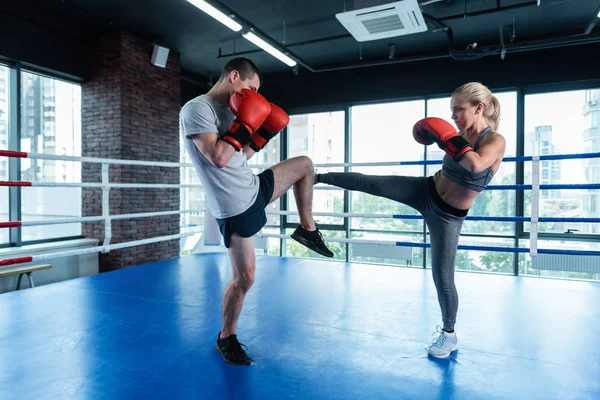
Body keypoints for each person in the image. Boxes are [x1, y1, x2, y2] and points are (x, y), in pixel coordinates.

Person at [315, 82, 505, 358]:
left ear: (478, 108)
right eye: (451, 110)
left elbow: (475, 164)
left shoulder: (494, 140)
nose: (453, 116)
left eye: (459, 110)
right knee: (373, 183)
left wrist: (446, 138)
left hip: (448, 217)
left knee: (442, 276)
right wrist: (450, 137)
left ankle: (449, 335)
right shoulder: (459, 134)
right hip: (425, 190)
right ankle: (317, 177)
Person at [179, 57, 334, 366]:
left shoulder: (229, 110)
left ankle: (307, 229)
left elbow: (239, 157)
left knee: (304, 164)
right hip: (234, 205)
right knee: (245, 278)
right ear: (234, 76)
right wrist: (247, 123)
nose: (253, 95)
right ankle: (226, 337)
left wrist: (261, 135)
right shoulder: (197, 109)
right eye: (251, 88)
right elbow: (219, 158)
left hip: (252, 186)